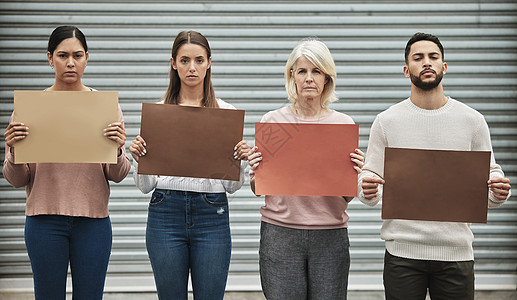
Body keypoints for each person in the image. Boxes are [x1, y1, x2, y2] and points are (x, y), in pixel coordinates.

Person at [358, 32, 512, 300]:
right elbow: (369, 178)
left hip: (456, 254)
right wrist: (367, 188)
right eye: (418, 58)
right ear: (407, 70)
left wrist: (499, 191)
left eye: (433, 57)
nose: (426, 62)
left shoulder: (472, 120)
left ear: (444, 66)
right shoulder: (386, 121)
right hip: (402, 254)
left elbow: (490, 176)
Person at [2, 25, 130, 299]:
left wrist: (119, 149)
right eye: (62, 55)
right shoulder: (30, 109)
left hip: (93, 223)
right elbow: (16, 179)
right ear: (50, 58)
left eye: (77, 55)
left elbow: (117, 174)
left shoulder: (105, 107)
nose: (70, 62)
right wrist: (12, 150)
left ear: (87, 58)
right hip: (43, 222)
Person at [129, 30, 250, 300]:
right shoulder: (158, 113)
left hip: (212, 214)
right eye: (184, 60)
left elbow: (231, 186)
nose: (191, 67)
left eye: (198, 60)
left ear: (209, 62)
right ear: (173, 63)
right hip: (165, 213)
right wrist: (139, 158)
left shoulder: (226, 113)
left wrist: (239, 161)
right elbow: (145, 186)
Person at [247, 37, 364, 300]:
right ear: (293, 77)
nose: (309, 78)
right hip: (280, 233)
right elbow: (257, 188)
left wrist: (356, 174)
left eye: (316, 71)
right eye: (302, 71)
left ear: (327, 78)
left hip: (330, 235)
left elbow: (348, 195)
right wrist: (255, 172)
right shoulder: (273, 122)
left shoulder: (343, 125)